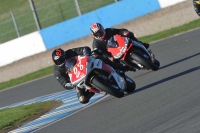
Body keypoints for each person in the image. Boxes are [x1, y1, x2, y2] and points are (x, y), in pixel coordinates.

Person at [51, 47, 128, 104]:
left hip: (85, 66)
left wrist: (86, 52)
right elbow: (63, 82)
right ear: (55, 62)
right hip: (77, 79)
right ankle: (92, 90)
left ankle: (114, 66)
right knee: (82, 99)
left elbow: (83, 49)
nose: (62, 61)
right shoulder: (57, 71)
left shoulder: (70, 52)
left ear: (65, 55)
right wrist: (69, 85)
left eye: (63, 58)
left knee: (97, 55)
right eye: (59, 61)